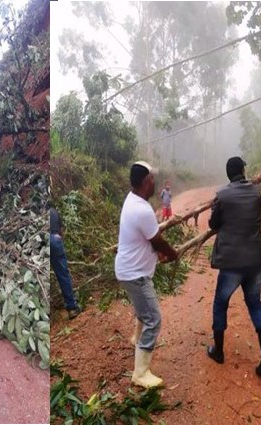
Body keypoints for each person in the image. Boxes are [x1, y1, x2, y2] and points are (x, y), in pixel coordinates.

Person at [206, 157, 261, 375]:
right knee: (254, 304)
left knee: (220, 303)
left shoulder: (222, 195)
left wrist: (215, 208)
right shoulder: (256, 193)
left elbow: (213, 225)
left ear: (228, 174)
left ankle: (218, 351)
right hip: (254, 260)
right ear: (243, 171)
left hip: (232, 263)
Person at [115, 161, 178, 388]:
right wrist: (173, 254)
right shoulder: (142, 209)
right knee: (154, 318)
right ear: (144, 182)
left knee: (144, 310)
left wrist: (157, 254)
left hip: (129, 269)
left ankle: (136, 339)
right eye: (152, 179)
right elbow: (157, 240)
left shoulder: (132, 200)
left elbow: (147, 239)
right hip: (135, 273)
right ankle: (140, 373)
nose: (155, 182)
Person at [51, 208, 81, 320]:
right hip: (55, 239)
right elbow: (61, 231)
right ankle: (72, 308)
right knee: (63, 275)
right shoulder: (54, 212)